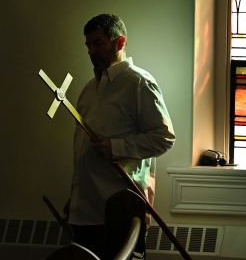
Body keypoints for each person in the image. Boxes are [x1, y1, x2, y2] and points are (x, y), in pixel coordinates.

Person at [66, 14, 175, 259]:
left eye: (98, 43)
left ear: (120, 42)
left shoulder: (138, 83)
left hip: (119, 210)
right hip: (85, 210)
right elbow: (82, 151)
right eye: (88, 45)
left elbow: (164, 137)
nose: (92, 51)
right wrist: (74, 199)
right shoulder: (89, 89)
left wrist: (115, 147)